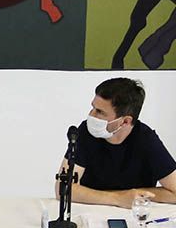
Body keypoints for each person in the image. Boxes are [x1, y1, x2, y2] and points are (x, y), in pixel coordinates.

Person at [64, 77, 176, 207]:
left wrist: (135, 195)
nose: (91, 115)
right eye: (93, 108)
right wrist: (119, 198)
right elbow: (64, 188)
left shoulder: (146, 139)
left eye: (100, 112)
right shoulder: (85, 131)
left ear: (125, 121)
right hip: (90, 211)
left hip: (134, 216)